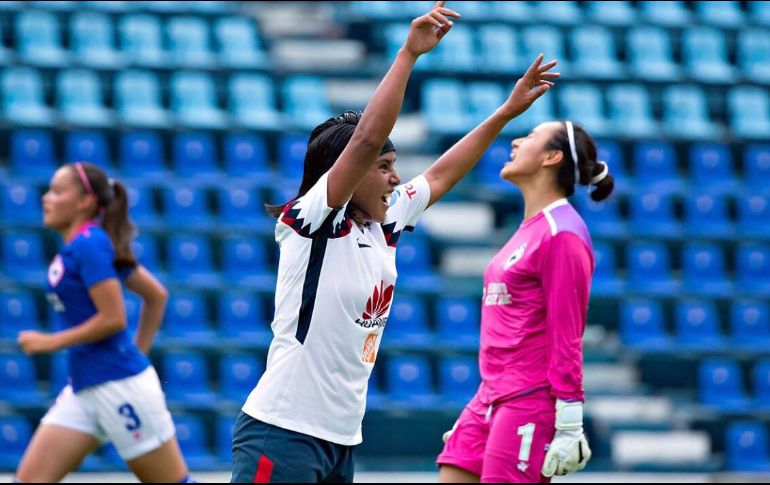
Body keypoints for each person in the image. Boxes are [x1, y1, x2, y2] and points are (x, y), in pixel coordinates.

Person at [230, 1, 560, 482]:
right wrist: (408, 54)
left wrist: (506, 113)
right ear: (349, 172)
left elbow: (442, 175)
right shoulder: (312, 220)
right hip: (283, 431)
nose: (396, 178)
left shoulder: (381, 223)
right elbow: (366, 139)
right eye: (384, 167)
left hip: (340, 440)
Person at [436, 120, 615, 483]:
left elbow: (568, 334)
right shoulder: (529, 228)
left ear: (552, 157)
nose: (516, 142)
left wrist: (569, 422)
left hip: (529, 401)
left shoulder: (562, 233)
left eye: (531, 136)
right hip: (489, 398)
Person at [14, 162, 194, 483]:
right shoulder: (87, 245)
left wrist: (50, 342)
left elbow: (113, 318)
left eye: (57, 191)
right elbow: (156, 295)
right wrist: (137, 353)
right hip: (84, 387)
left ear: (84, 201)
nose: (46, 197)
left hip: (118, 387)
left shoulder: (90, 243)